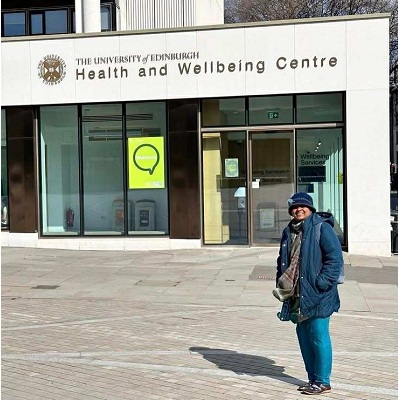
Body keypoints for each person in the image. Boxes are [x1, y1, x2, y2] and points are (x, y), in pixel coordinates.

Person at [273, 192, 343, 395]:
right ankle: (313, 379)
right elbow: (282, 260)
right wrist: (281, 280)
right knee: (303, 336)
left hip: (319, 292)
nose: (299, 209)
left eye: (303, 206)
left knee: (318, 335)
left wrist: (322, 282)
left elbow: (335, 259)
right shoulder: (289, 231)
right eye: (295, 207)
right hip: (298, 293)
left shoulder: (322, 227)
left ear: (310, 208)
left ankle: (323, 381)